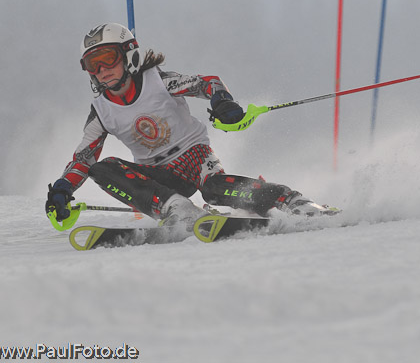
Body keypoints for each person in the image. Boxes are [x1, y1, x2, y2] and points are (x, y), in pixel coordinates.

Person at [46, 23, 331, 229]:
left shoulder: (158, 81)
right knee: (101, 167)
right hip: (158, 177)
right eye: (92, 64)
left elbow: (207, 83)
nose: (101, 70)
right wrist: (62, 190)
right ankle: (177, 209)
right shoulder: (101, 111)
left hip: (194, 157)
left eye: (108, 58)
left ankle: (290, 200)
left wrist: (222, 102)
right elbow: (83, 159)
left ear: (128, 55)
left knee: (214, 189)